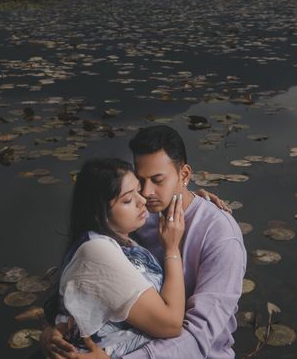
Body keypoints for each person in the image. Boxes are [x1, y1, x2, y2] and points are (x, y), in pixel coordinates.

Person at [44, 125, 247, 358]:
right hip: (126, 341)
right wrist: (51, 330)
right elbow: (87, 277)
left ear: (185, 175)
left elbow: (200, 335)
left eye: (158, 180)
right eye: (141, 181)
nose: (147, 193)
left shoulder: (221, 237)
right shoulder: (136, 216)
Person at [52, 158, 187, 357]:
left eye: (138, 191)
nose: (143, 201)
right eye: (127, 200)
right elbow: (172, 324)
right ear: (101, 212)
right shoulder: (97, 251)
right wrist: (172, 250)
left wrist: (194, 196)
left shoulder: (122, 240)